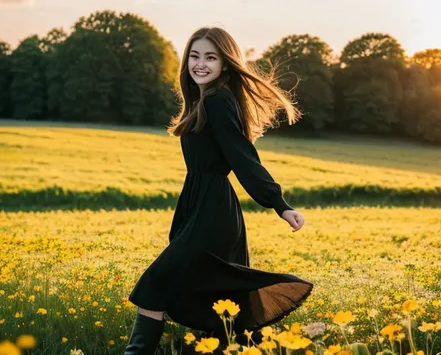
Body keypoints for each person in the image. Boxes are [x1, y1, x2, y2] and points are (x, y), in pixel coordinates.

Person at [124, 26, 314, 354]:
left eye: (210, 57)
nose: (200, 63)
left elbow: (243, 158)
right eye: (194, 56)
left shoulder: (216, 100)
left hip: (213, 213)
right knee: (219, 302)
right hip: (202, 206)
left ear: (225, 63)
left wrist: (279, 204)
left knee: (155, 285)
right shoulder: (203, 100)